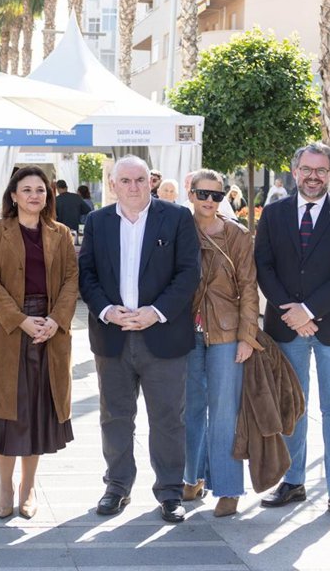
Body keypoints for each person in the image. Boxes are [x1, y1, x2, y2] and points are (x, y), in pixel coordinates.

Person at [78, 155, 200, 523]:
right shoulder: (97, 221)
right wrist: (107, 310)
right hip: (112, 335)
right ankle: (117, 486)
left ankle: (170, 492)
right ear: (113, 185)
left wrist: (156, 312)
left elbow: (188, 273)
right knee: (115, 417)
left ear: (151, 181)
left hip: (163, 335)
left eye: (140, 179)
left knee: (168, 419)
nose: (133, 187)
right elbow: (86, 274)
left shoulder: (177, 217)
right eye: (126, 181)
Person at [254, 142, 330, 527]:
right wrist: (293, 312)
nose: (313, 176)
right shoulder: (273, 214)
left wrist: (309, 310)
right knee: (293, 405)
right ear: (295, 171)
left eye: (321, 170)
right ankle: (293, 481)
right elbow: (264, 267)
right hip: (287, 325)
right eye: (307, 169)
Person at [0, 166, 78, 519]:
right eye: (27, 189)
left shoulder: (60, 234)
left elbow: (71, 280)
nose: (35, 195)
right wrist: (20, 320)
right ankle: (5, 486)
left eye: (41, 190)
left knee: (37, 412)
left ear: (48, 196)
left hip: (49, 331)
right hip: (8, 330)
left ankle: (28, 486)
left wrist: (55, 320)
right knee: (7, 412)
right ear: (14, 195)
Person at [182, 169, 262, 518]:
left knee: (224, 411)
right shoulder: (178, 230)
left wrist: (247, 336)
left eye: (216, 196)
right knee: (190, 408)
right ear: (191, 194)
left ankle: (228, 488)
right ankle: (192, 476)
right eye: (203, 194)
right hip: (185, 331)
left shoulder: (237, 235)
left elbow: (249, 288)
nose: (209, 201)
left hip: (228, 332)